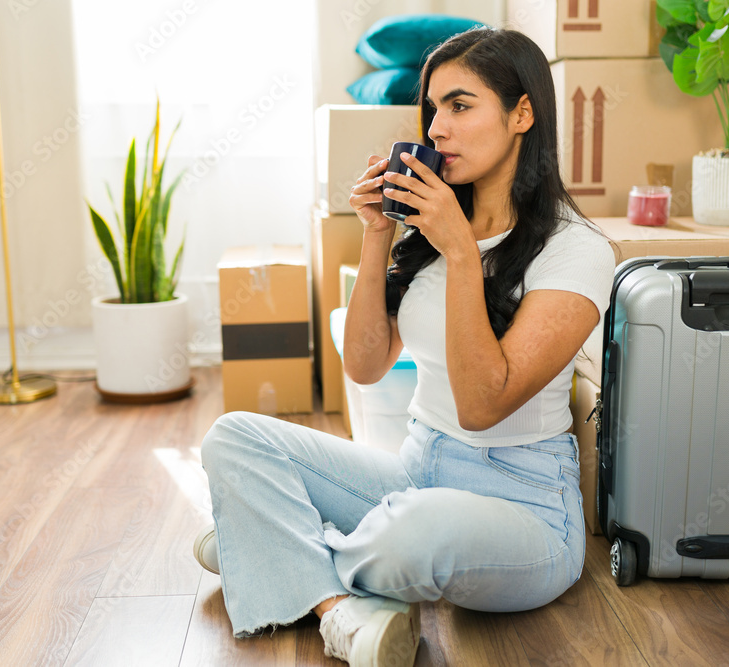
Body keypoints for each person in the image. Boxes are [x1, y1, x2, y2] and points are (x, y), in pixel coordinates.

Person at [193, 26, 615, 667]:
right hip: (417, 470)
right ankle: (338, 613)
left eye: (461, 105)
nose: (438, 127)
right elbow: (364, 367)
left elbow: (482, 404)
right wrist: (374, 236)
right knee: (233, 437)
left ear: (522, 113)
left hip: (524, 507)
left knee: (412, 535)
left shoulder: (576, 249)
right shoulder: (431, 230)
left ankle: (262, 539)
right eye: (433, 109)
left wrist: (460, 250)